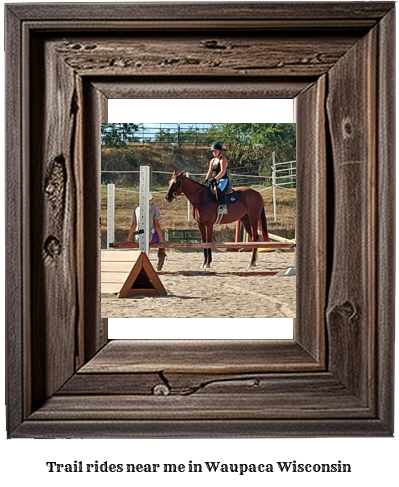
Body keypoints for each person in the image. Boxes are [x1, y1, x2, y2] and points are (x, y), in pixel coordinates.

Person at [127, 193, 166, 271]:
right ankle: (160, 263)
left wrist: (128, 239)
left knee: (143, 232)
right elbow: (157, 225)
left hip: (138, 235)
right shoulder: (154, 208)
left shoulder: (136, 208)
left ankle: (144, 262)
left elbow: (133, 225)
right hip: (149, 235)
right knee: (161, 242)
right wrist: (162, 240)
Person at [205, 142, 229, 214]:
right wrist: (206, 180)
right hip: (216, 180)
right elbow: (210, 172)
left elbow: (223, 171)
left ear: (220, 151)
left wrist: (214, 179)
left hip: (223, 179)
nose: (214, 153)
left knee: (219, 189)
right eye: (213, 151)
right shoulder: (212, 161)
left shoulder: (223, 159)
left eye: (215, 151)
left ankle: (223, 206)